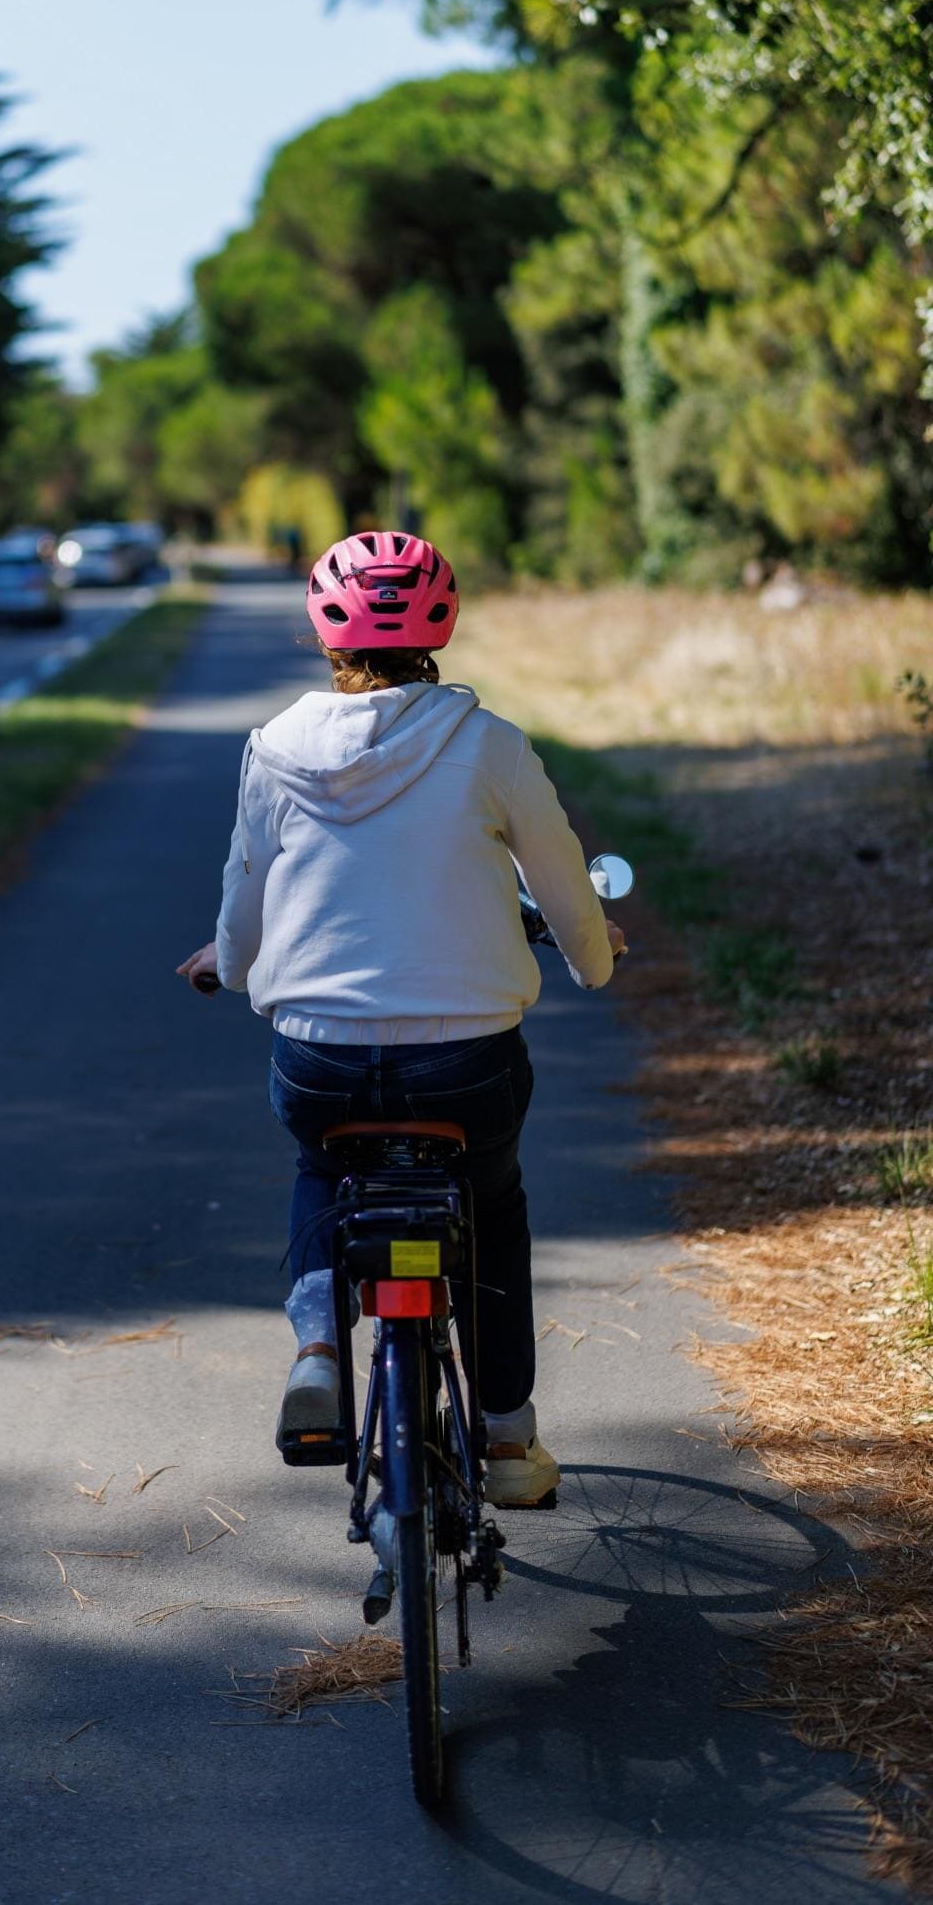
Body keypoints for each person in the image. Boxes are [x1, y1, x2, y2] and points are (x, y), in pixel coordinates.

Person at [176, 530, 625, 1509]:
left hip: (321, 1063)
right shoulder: (489, 744)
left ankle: (319, 1344)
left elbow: (244, 897)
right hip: (466, 1065)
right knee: (493, 1208)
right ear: (442, 625)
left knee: (320, 1170)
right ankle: (507, 1444)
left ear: (324, 630)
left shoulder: (275, 747)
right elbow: (561, 883)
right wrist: (595, 959)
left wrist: (233, 962)